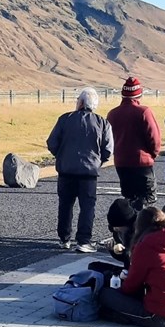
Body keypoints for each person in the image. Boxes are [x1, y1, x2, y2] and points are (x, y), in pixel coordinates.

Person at [98, 207, 165, 327]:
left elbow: (132, 285)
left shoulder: (145, 245)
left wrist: (119, 289)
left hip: (162, 316)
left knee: (105, 295)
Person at [47, 87, 114, 253]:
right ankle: (83, 241)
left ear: (81, 102)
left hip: (66, 171)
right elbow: (108, 149)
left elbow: (52, 142)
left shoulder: (64, 119)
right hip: (89, 173)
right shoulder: (102, 122)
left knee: (65, 205)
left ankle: (64, 238)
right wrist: (98, 161)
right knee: (87, 207)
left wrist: (61, 155)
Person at [107, 77, 161, 210]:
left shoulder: (112, 114)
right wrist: (153, 154)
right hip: (142, 162)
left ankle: (129, 227)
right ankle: (143, 228)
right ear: (139, 95)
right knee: (147, 198)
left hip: (121, 162)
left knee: (129, 198)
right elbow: (154, 137)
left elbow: (108, 139)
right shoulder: (144, 112)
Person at [105, 198, 137, 269]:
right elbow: (124, 259)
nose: (114, 229)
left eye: (117, 227)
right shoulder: (119, 231)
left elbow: (133, 261)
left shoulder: (140, 233)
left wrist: (126, 252)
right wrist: (113, 251)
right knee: (94, 266)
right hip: (132, 267)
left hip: (143, 271)